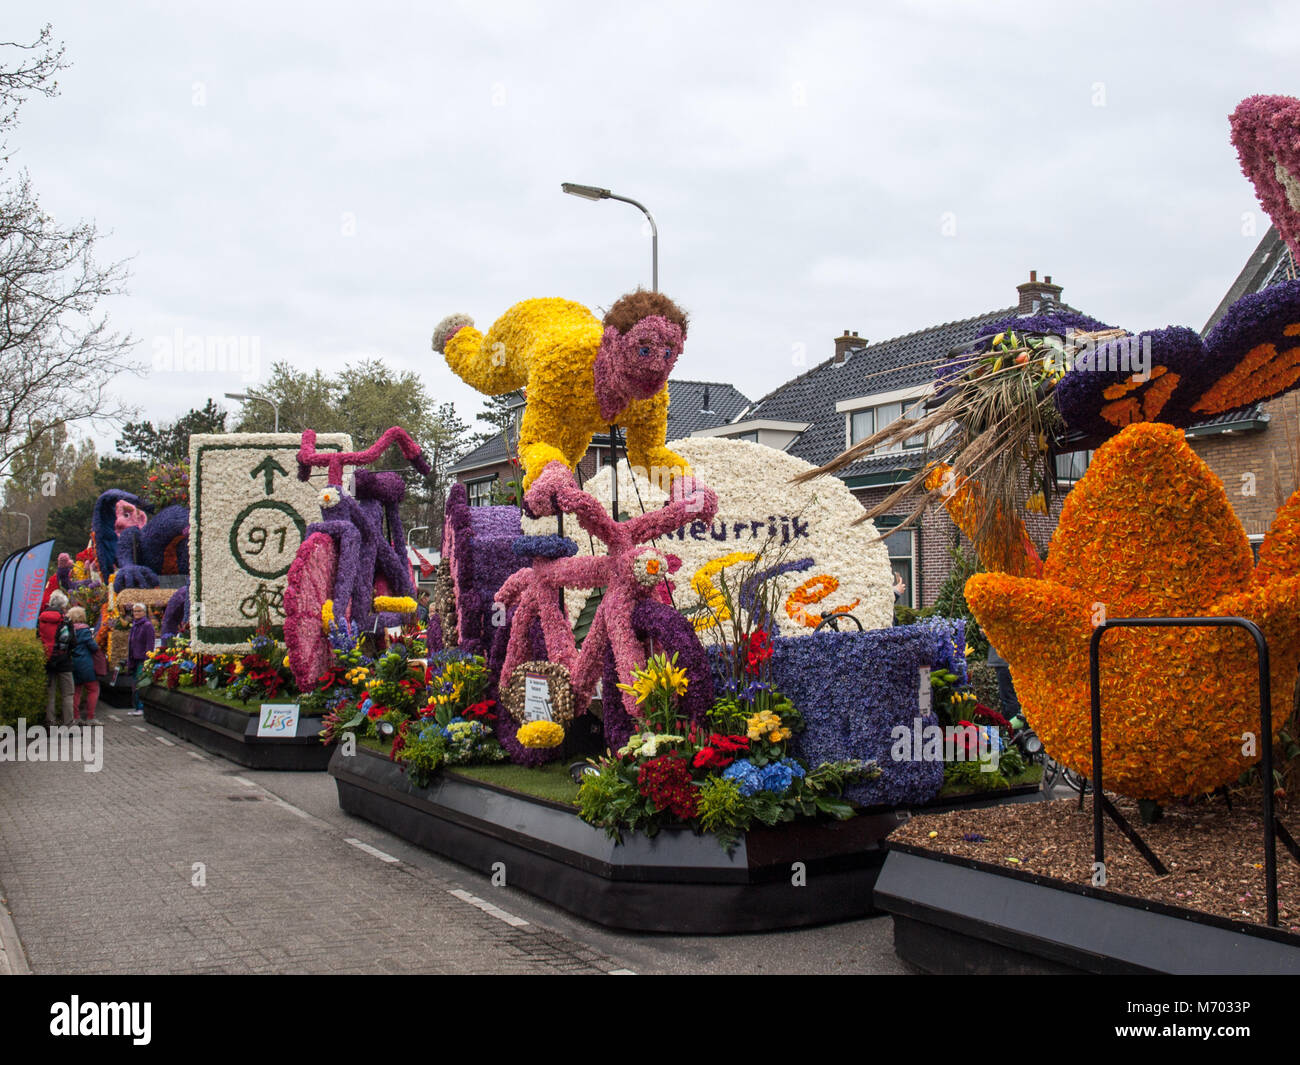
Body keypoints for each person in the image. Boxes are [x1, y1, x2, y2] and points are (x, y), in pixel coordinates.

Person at [40, 591, 75, 726]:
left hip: (47, 660)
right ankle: (69, 724)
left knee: (50, 693)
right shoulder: (65, 620)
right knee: (67, 694)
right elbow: (73, 642)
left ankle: (50, 723)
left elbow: (38, 636)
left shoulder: (41, 618)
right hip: (64, 661)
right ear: (63, 605)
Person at [68, 605, 104, 723]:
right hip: (86, 664)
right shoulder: (84, 630)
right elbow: (93, 646)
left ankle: (76, 717)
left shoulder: (68, 629)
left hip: (73, 663)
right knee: (93, 689)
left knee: (76, 691)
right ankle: (90, 717)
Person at [125, 602, 156, 716]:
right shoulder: (135, 625)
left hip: (142, 658)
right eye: (135, 611)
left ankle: (141, 707)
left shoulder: (147, 625)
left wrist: (148, 659)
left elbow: (150, 644)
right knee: (135, 683)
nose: (136, 613)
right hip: (134, 658)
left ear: (144, 612)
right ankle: (137, 707)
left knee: (140, 682)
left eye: (139, 611)